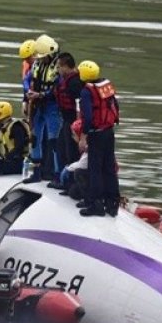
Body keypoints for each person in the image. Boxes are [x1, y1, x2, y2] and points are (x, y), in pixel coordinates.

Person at [78, 60, 120, 217]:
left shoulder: (86, 92)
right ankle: (112, 203)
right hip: (109, 131)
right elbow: (115, 105)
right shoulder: (105, 85)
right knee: (109, 168)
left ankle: (96, 204)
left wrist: (83, 136)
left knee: (95, 168)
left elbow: (87, 117)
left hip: (96, 133)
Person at [24, 34, 62, 183]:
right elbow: (27, 80)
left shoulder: (57, 68)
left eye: (43, 56)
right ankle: (36, 172)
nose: (40, 59)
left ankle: (57, 175)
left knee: (54, 141)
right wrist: (28, 92)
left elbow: (57, 89)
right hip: (37, 105)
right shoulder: (37, 65)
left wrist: (41, 95)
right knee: (34, 138)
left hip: (51, 107)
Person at [53, 52, 84, 187]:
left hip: (73, 121)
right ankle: (64, 180)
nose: (58, 70)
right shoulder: (65, 81)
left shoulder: (75, 83)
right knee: (61, 148)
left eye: (60, 67)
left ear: (66, 66)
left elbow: (79, 105)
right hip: (66, 119)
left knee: (71, 152)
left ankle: (71, 183)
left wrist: (77, 126)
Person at [0, 101, 30, 175]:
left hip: (18, 161)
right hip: (7, 159)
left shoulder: (16, 127)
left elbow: (19, 147)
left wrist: (3, 159)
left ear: (1, 114)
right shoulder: (0, 127)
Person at [60, 119, 88, 200]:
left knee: (77, 173)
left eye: (74, 134)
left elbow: (82, 164)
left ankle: (87, 197)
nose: (72, 137)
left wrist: (67, 168)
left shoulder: (87, 147)